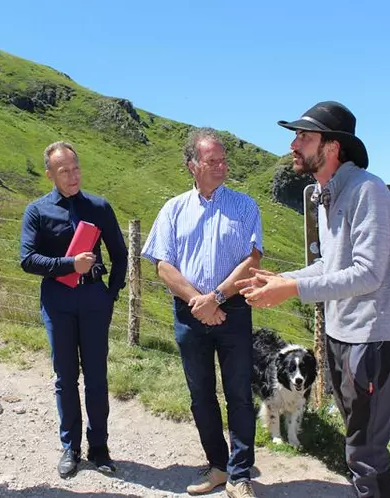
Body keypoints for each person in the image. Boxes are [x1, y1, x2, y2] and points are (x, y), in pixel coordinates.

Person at [237, 101, 390, 498]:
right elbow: (326, 267)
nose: (294, 145)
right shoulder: (328, 195)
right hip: (341, 337)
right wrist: (281, 278)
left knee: (362, 450)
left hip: (371, 340)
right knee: (365, 445)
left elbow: (368, 274)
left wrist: (292, 289)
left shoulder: (368, 191)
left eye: (304, 137)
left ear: (332, 147)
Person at [141, 128, 263, 498]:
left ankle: (240, 476)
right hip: (190, 314)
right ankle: (218, 466)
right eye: (212, 161)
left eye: (224, 160)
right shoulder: (173, 209)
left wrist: (217, 298)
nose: (221, 167)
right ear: (192, 165)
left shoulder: (245, 206)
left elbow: (253, 259)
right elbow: (163, 265)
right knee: (201, 395)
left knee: (240, 393)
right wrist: (200, 301)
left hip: (234, 310)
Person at [19, 141, 127, 478]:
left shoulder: (99, 206)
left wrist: (111, 294)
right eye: (63, 170)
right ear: (50, 174)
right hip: (58, 302)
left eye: (75, 167)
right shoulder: (37, 211)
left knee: (96, 376)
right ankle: (71, 448)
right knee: (66, 378)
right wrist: (70, 265)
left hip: (95, 300)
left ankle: (100, 448)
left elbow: (120, 254)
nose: (72, 175)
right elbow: (27, 259)